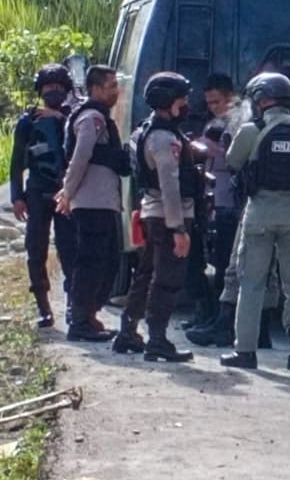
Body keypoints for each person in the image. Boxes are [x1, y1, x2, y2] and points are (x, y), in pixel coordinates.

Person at [220, 73, 290, 370]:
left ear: (262, 99)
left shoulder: (250, 130)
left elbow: (232, 162)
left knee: (252, 283)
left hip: (258, 216)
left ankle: (245, 352)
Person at [116, 73, 199, 361]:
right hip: (167, 215)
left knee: (146, 273)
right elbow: (170, 183)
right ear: (166, 100)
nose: (185, 104)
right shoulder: (163, 137)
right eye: (181, 99)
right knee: (167, 279)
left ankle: (127, 331)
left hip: (153, 212)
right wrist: (178, 228)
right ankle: (158, 340)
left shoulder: (145, 130)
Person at [57, 64, 131, 342]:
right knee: (91, 263)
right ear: (96, 89)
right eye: (112, 86)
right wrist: (67, 192)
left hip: (102, 203)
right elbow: (80, 157)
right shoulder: (92, 118)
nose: (117, 91)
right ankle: (80, 321)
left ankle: (88, 316)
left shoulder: (101, 118)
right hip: (91, 204)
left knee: (107, 261)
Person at [9, 64, 78, 328]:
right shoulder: (28, 122)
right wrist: (17, 196)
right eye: (48, 87)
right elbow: (17, 163)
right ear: (40, 90)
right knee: (35, 249)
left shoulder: (74, 116)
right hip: (37, 192)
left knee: (70, 249)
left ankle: (73, 306)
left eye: (59, 87)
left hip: (65, 193)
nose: (54, 92)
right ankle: (43, 307)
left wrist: (59, 118)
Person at [183, 74, 242, 331]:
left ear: (230, 97)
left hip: (231, 202)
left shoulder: (241, 123)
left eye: (217, 102)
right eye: (209, 103)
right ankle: (206, 314)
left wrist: (213, 149)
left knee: (225, 266)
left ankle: (221, 319)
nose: (213, 107)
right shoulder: (214, 123)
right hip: (211, 199)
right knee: (207, 259)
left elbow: (239, 160)